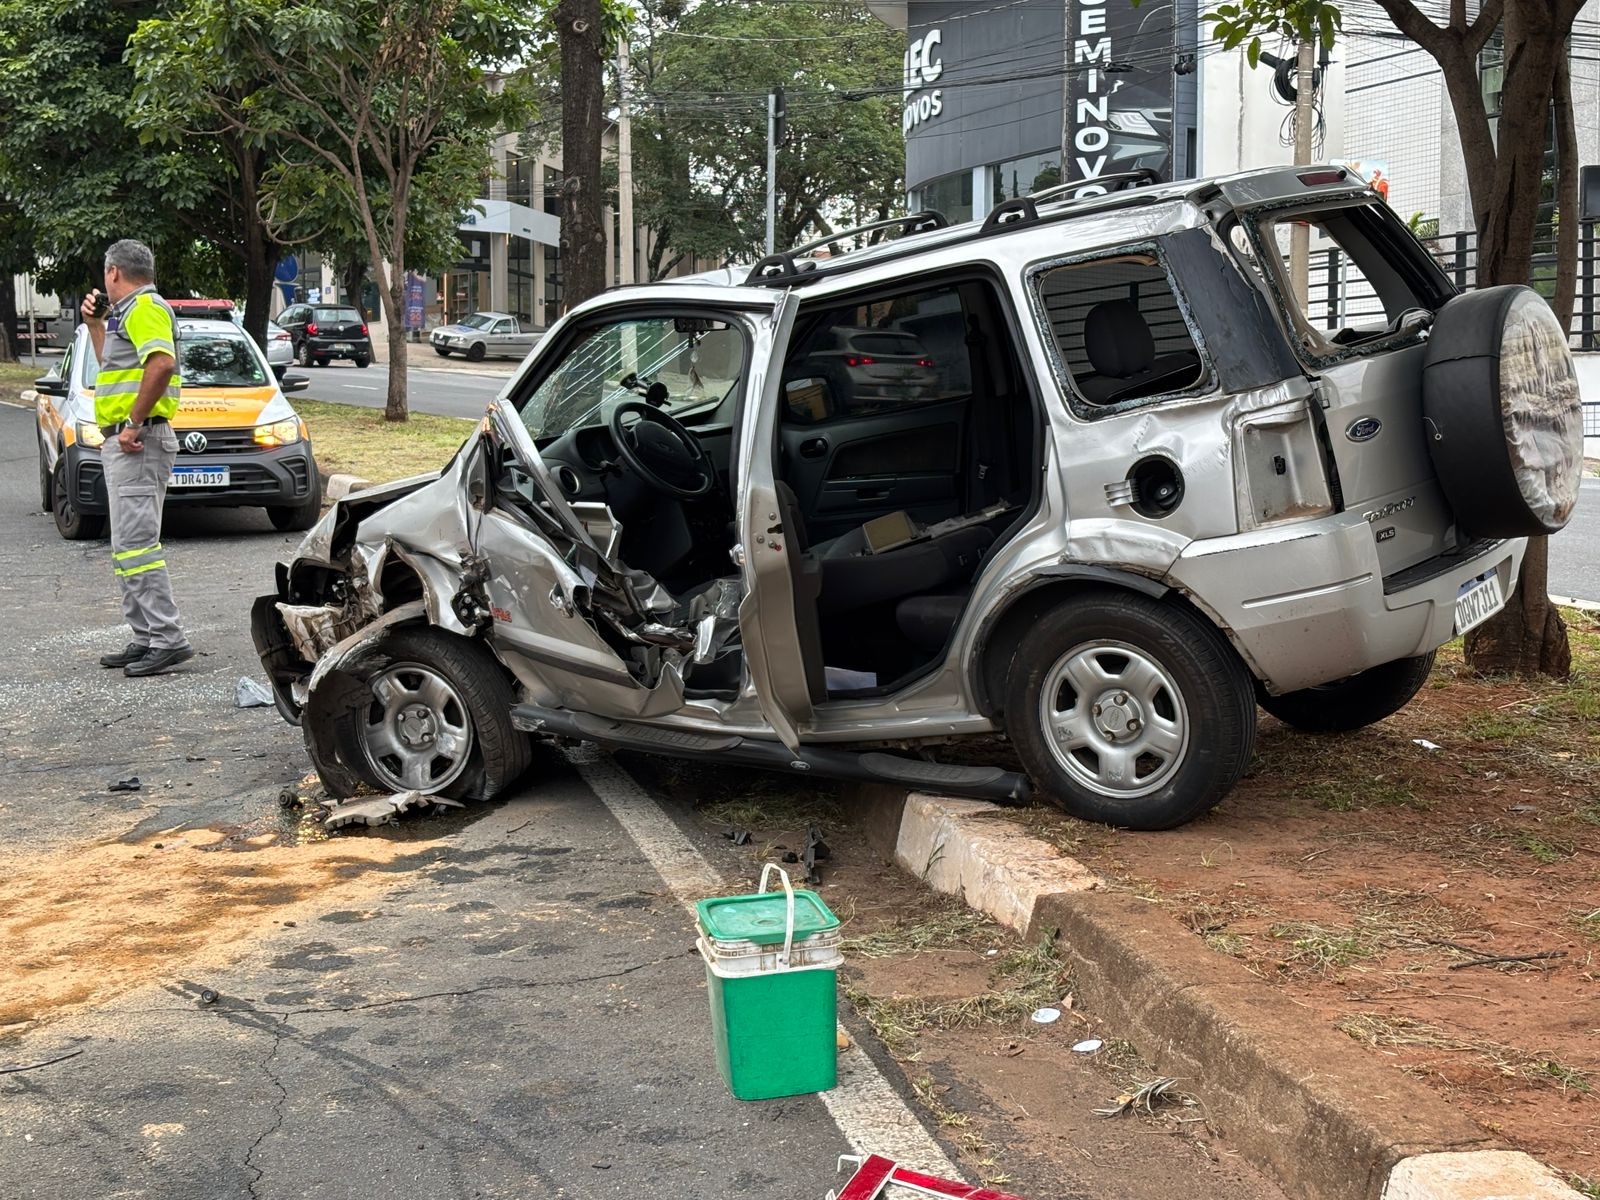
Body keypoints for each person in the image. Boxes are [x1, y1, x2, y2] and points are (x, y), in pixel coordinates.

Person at [79, 239, 194, 677]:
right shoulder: (127, 314)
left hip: (137, 442)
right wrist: (95, 325)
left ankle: (167, 639)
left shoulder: (146, 307)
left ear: (113, 272)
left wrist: (132, 423)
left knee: (138, 546)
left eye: (105, 273)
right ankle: (146, 636)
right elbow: (113, 367)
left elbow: (161, 364)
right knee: (127, 547)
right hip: (127, 442)